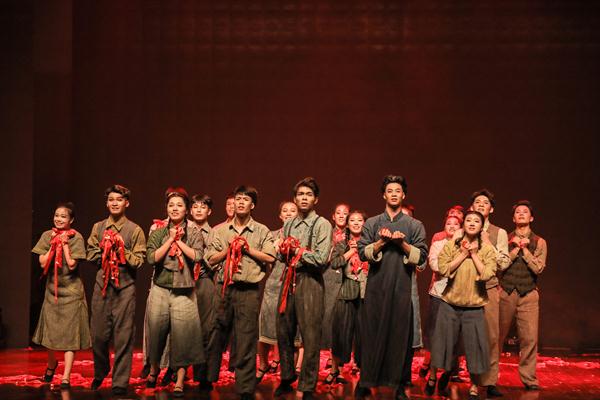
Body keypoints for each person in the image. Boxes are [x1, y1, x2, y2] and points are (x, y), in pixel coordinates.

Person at [356, 175, 428, 400]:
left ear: (403, 195)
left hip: (401, 289)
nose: (394, 194)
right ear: (384, 195)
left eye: (398, 190)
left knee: (400, 337)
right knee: (371, 335)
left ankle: (398, 385)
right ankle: (366, 381)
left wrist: (402, 243)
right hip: (376, 289)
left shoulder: (414, 225)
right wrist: (382, 242)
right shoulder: (372, 223)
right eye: (390, 190)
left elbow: (421, 257)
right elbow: (362, 252)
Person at [205, 185, 276, 400]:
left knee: (246, 338)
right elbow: (210, 258)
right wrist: (228, 250)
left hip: (248, 290)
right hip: (224, 288)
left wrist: (247, 249)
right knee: (215, 333)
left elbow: (271, 257)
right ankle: (206, 378)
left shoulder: (261, 230)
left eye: (246, 199)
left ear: (252, 205)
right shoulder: (220, 231)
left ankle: (244, 387)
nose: (241, 202)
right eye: (238, 199)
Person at [428, 211, 497, 400]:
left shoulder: (486, 249)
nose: (472, 223)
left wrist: (474, 255)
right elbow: (443, 268)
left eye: (476, 221)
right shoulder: (452, 245)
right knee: (443, 344)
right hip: (450, 303)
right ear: (463, 224)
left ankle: (474, 386)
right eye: (468, 220)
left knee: (475, 348)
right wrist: (463, 254)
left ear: (481, 226)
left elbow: (487, 273)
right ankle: (438, 376)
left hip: (474, 305)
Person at [275, 177, 332, 399]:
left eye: (309, 194)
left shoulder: (322, 224)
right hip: (289, 278)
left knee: (310, 335)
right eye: (300, 194)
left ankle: (307, 385)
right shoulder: (289, 224)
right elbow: (283, 256)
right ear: (295, 198)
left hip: (310, 281)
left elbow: (320, 258)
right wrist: (282, 250)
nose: (304, 198)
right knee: (283, 329)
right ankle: (287, 377)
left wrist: (297, 251)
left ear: (316, 199)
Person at [145, 188, 205, 397]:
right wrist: (169, 239)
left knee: (184, 336)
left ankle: (179, 379)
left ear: (187, 209)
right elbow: (151, 258)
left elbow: (197, 256)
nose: (175, 208)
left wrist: (178, 240)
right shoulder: (158, 230)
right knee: (156, 332)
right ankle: (153, 371)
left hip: (184, 289)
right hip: (161, 288)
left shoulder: (194, 232)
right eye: (171, 205)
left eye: (179, 205)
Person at [87, 185, 146, 396]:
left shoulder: (135, 230)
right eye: (111, 199)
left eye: (119, 200)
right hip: (102, 287)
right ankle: (101, 369)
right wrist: (105, 249)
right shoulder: (98, 227)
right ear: (107, 203)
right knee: (98, 335)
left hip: (125, 288)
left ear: (126, 203)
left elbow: (139, 260)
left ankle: (120, 381)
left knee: (123, 336)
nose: (114, 203)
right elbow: (90, 254)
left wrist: (122, 250)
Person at [32, 202, 90, 389]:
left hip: (72, 293)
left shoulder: (76, 237)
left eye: (63, 216)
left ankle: (66, 376)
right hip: (52, 292)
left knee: (70, 336)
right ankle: (51, 364)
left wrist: (64, 244)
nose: (59, 219)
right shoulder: (47, 235)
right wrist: (53, 244)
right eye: (57, 215)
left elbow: (72, 264)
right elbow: (43, 263)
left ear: (71, 220)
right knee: (50, 333)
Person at [498, 200, 547, 391]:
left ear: (531, 217)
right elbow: (499, 265)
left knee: (529, 338)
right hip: (506, 291)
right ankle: (490, 378)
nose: (521, 214)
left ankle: (529, 378)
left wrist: (525, 249)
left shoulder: (540, 241)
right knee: (497, 336)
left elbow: (538, 268)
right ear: (513, 218)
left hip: (529, 294)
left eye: (525, 212)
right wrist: (515, 248)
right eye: (517, 212)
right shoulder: (505, 239)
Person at [471, 190, 511, 398]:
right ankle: (472, 381)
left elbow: (503, 263)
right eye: (477, 202)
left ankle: (489, 381)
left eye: (485, 202)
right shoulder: (465, 228)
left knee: (491, 336)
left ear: (491, 209)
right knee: (469, 336)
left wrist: (487, 242)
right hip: (467, 288)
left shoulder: (499, 232)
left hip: (488, 287)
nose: (480, 205)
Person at [257, 201, 299, 382]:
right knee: (266, 326)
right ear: (280, 215)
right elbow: (265, 258)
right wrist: (274, 248)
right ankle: (263, 364)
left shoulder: (303, 235)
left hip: (295, 285)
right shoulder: (272, 235)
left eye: (292, 210)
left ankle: (288, 373)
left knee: (293, 331)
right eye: (285, 211)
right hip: (274, 285)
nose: (288, 213)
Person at [326, 210, 369, 385]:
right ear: (348, 224)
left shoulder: (369, 243)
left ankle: (364, 370)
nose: (356, 223)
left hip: (366, 294)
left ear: (365, 223)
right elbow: (334, 263)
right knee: (341, 333)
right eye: (352, 220)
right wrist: (351, 251)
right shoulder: (342, 243)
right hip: (346, 293)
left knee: (364, 335)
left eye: (360, 220)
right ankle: (335, 370)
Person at [420, 215, 462, 392]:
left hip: (459, 297)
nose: (452, 226)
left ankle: (448, 371)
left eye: (456, 224)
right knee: (436, 338)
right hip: (439, 295)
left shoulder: (467, 246)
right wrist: (457, 264)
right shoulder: (438, 244)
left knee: (454, 339)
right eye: (448, 223)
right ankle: (432, 376)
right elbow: (437, 266)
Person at [189, 194, 217, 388]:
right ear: (190, 211)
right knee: (184, 329)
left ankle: (203, 375)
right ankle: (178, 372)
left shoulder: (214, 233)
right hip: (184, 282)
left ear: (209, 211)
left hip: (205, 280)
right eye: (195, 207)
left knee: (206, 329)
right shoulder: (184, 230)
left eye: (203, 207)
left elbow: (215, 259)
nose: (199, 210)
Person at [322, 204, 349, 359]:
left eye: (345, 213)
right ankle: (329, 355)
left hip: (346, 279)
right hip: (328, 277)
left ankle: (338, 359)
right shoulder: (327, 233)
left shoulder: (353, 234)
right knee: (328, 316)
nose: (341, 215)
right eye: (338, 213)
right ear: (333, 216)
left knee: (342, 320)